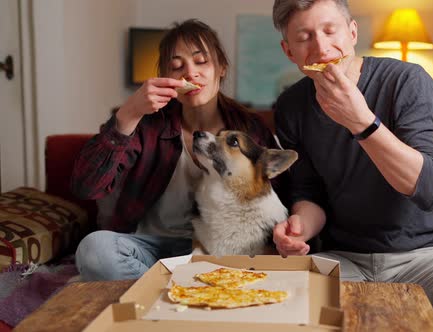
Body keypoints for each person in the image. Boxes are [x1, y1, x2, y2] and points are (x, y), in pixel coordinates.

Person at [270, 1, 433, 331]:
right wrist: (298, 230)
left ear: (352, 32)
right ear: (289, 50)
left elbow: (430, 189)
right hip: (342, 258)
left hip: (424, 256)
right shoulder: (291, 106)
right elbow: (311, 193)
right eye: (304, 37)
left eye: (330, 30)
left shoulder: (407, 81)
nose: (320, 47)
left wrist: (361, 121)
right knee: (279, 298)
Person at [71, 19, 278, 281]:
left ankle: (163, 296)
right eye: (176, 66)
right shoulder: (146, 124)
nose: (190, 73)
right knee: (94, 250)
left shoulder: (250, 128)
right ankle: (185, 292)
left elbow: (278, 199)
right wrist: (128, 113)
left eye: (201, 61)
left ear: (221, 68)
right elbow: (86, 187)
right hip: (149, 248)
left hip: (218, 250)